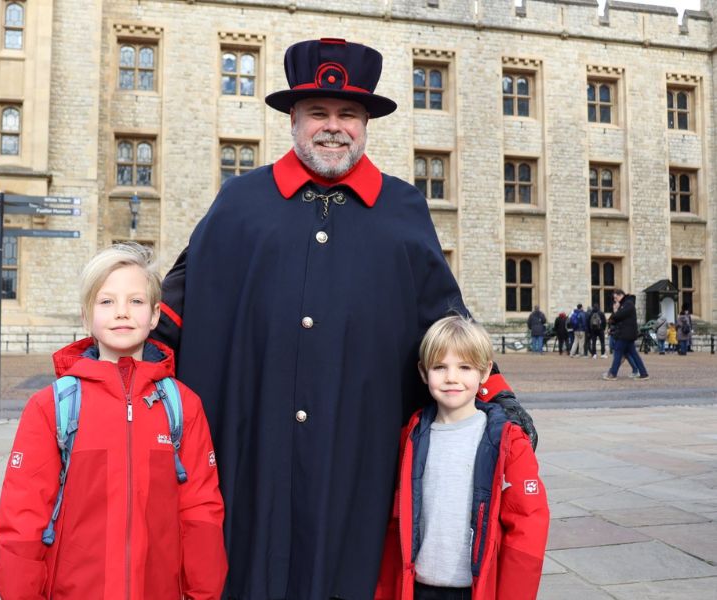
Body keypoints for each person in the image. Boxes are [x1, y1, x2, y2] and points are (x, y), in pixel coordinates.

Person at [151, 38, 536, 599]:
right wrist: (111, 365)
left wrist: (497, 394)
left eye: (348, 115)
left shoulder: (403, 209)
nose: (333, 127)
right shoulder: (239, 202)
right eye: (318, 114)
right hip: (255, 449)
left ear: (366, 122)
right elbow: (175, 306)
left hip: (362, 451)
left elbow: (445, 317)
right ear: (293, 119)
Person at [0, 243, 227, 599]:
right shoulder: (51, 407)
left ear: (154, 315)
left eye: (135, 301)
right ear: (87, 317)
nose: (122, 312)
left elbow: (201, 514)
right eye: (106, 301)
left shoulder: (183, 406)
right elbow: (22, 519)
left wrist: (204, 593)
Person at [376, 315, 549, 600]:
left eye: (465, 367)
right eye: (440, 367)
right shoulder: (409, 437)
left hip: (474, 589)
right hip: (418, 586)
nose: (451, 377)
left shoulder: (509, 443)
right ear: (423, 372)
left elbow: (528, 524)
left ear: (484, 372)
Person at [603, 289, 649, 381]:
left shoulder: (628, 304)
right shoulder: (625, 304)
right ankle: (643, 373)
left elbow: (617, 317)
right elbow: (614, 319)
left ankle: (612, 374)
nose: (615, 300)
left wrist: (615, 311)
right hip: (626, 334)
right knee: (634, 354)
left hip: (625, 334)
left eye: (616, 297)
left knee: (618, 352)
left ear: (621, 295)